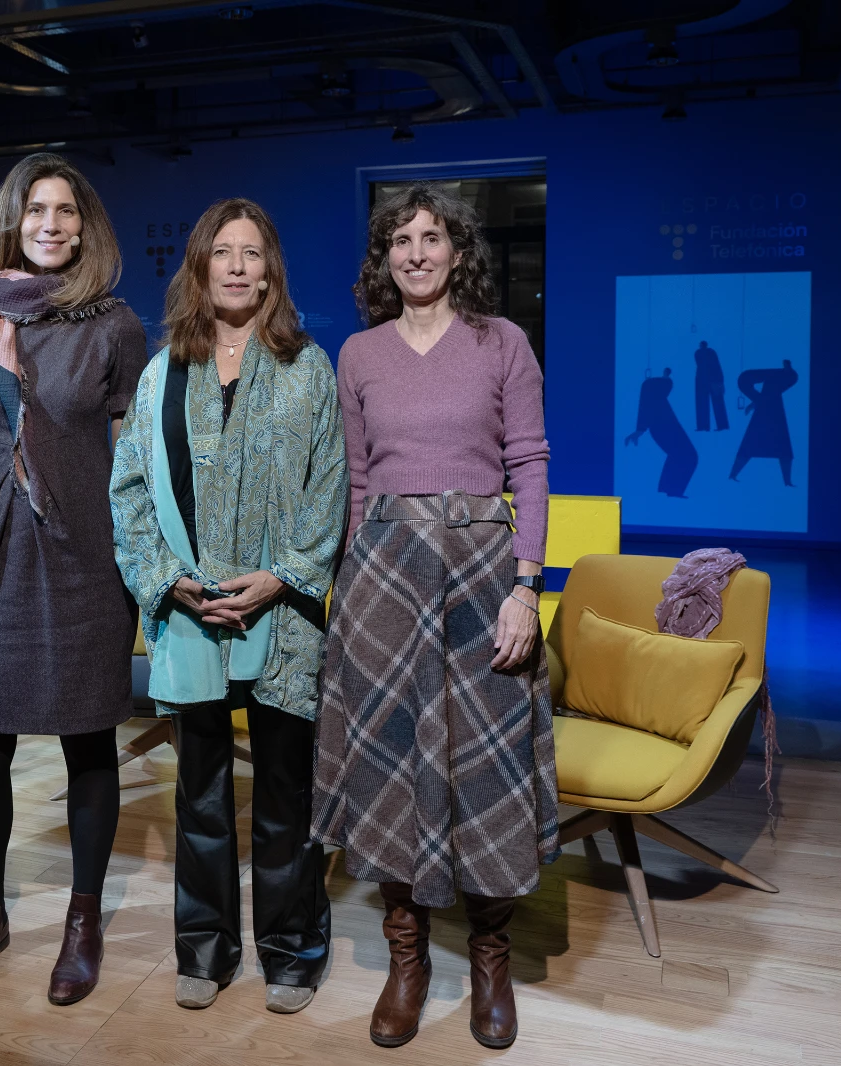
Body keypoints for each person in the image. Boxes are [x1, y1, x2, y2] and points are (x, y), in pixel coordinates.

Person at [313, 182, 558, 1051]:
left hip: (484, 577)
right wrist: (348, 591)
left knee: (483, 768)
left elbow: (530, 464)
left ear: (459, 251)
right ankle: (407, 962)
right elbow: (356, 483)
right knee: (390, 766)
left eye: (432, 237)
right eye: (401, 241)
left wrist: (527, 588)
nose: (416, 253)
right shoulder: (358, 354)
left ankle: (491, 959)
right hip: (383, 581)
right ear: (384, 258)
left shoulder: (503, 342)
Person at [111, 199, 346, 1016]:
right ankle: (205, 948)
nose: (238, 267)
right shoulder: (161, 372)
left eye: (252, 253)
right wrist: (167, 579)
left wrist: (281, 577)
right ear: (200, 268)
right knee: (201, 793)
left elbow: (331, 485)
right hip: (189, 614)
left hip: (282, 615)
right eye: (223, 252)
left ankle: (291, 950)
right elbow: (129, 486)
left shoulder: (309, 367)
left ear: (271, 271)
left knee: (286, 794)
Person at [0, 153, 148, 1006]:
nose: (51, 224)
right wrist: (9, 492)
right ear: (13, 220)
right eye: (36, 210)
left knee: (87, 736)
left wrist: (69, 498)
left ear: (85, 226)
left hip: (86, 547)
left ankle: (82, 922)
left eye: (67, 210)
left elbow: (130, 447)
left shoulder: (114, 325)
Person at [625, 367, 698, 497]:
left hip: (662, 428)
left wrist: (640, 429)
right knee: (687, 455)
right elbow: (664, 387)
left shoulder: (654, 398)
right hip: (664, 428)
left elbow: (645, 406)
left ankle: (667, 489)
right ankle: (670, 490)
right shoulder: (655, 397)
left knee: (679, 455)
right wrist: (640, 429)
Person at [729, 360, 798, 486]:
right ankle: (733, 475)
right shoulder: (772, 391)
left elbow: (747, 383)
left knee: (776, 448)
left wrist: (756, 401)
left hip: (770, 419)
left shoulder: (771, 391)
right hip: (768, 419)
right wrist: (756, 401)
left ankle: (787, 481)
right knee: (752, 447)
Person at [693, 340, 728, 432]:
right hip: (712, 379)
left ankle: (704, 426)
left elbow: (713, 365)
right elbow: (717, 365)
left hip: (705, 379)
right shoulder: (709, 353)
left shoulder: (699, 353)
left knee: (703, 403)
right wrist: (720, 380)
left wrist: (720, 380)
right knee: (715, 402)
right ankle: (721, 425)